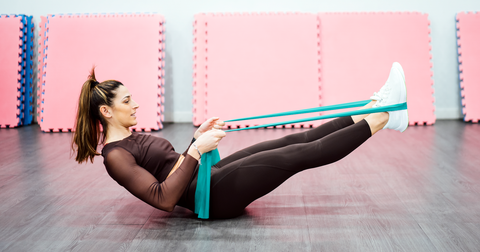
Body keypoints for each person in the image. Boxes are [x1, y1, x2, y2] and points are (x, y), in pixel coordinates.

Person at [71, 62, 408, 219]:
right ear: (107, 111)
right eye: (127, 101)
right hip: (212, 196)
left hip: (206, 178)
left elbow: (170, 165)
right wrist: (195, 152)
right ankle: (385, 118)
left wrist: (196, 139)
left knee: (295, 139)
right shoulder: (114, 157)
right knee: (297, 156)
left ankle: (371, 107)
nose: (136, 104)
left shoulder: (131, 137)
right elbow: (163, 199)